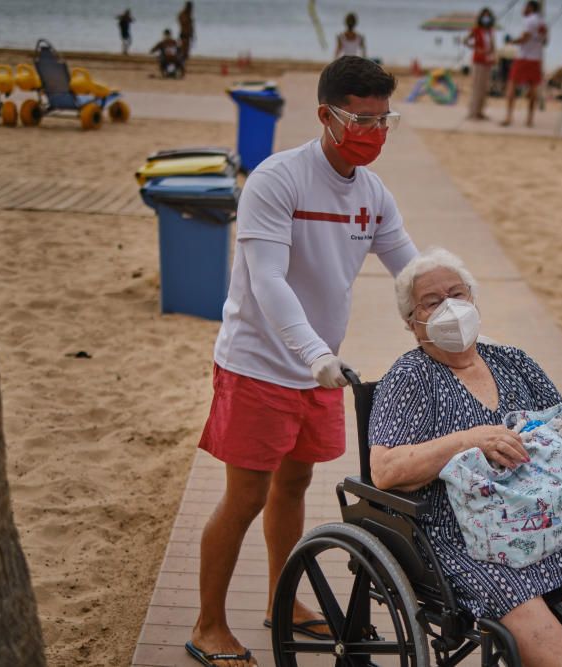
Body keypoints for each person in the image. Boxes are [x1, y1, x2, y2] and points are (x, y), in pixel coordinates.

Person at [185, 56, 417, 667]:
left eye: (382, 119)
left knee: (295, 483)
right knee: (246, 496)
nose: (372, 131)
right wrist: (314, 351)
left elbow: (411, 274)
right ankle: (208, 624)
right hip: (260, 363)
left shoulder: (373, 194)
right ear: (325, 115)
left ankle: (281, 602)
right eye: (359, 118)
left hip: (318, 368)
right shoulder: (277, 179)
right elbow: (267, 280)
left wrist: (455, 319)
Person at [368, 247, 562, 667]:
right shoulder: (411, 378)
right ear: (413, 324)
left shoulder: (513, 361)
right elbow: (385, 470)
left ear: (473, 299)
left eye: (457, 294)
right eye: (432, 302)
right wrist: (469, 440)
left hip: (548, 520)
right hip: (466, 542)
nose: (450, 307)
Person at [502, 1, 547, 127]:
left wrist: (512, 41)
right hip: (536, 58)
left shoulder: (530, 20)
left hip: (524, 57)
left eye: (525, 6)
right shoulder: (542, 22)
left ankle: (509, 117)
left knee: (512, 85)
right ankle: (530, 119)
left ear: (530, 8)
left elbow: (525, 38)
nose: (523, 9)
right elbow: (545, 41)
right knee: (533, 89)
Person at [464, 7, 496, 120]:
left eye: (488, 16)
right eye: (484, 16)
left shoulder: (491, 31)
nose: (486, 18)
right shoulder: (476, 30)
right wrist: (476, 48)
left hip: (488, 61)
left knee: (484, 87)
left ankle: (480, 111)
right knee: (477, 86)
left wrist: (493, 55)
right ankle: (473, 112)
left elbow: (492, 46)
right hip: (478, 60)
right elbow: (466, 40)